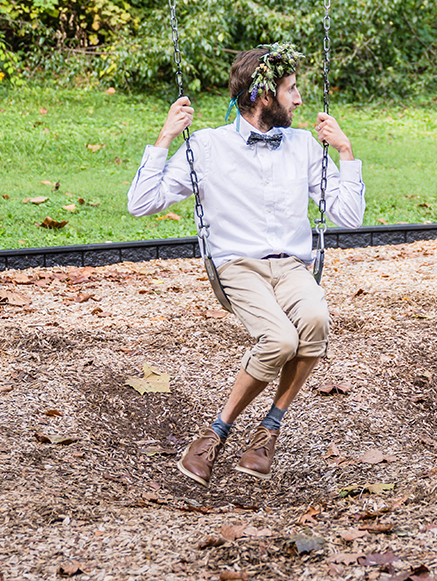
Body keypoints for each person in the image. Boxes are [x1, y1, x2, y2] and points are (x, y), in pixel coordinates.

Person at [127, 43, 364, 485]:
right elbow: (142, 203)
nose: (298, 99)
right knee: (278, 341)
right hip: (237, 265)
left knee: (314, 321)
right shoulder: (207, 146)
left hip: (292, 265)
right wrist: (164, 137)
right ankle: (214, 435)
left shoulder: (304, 146)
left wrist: (345, 153)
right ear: (262, 96)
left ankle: (268, 430)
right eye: (291, 90)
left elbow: (347, 216)